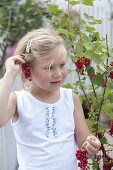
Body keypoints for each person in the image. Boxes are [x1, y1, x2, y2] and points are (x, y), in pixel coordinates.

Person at [0, 28, 101, 170]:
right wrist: (10, 73)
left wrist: (92, 146)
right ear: (27, 68)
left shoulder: (71, 99)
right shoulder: (18, 100)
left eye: (61, 65)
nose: (58, 73)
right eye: (49, 68)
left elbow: (84, 147)